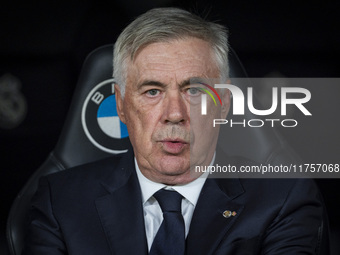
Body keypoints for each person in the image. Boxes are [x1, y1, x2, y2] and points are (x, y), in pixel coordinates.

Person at [23, 7, 326, 255]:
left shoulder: (285, 199)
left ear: (224, 104)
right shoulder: (60, 203)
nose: (175, 114)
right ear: (121, 105)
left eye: (194, 91)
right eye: (152, 91)